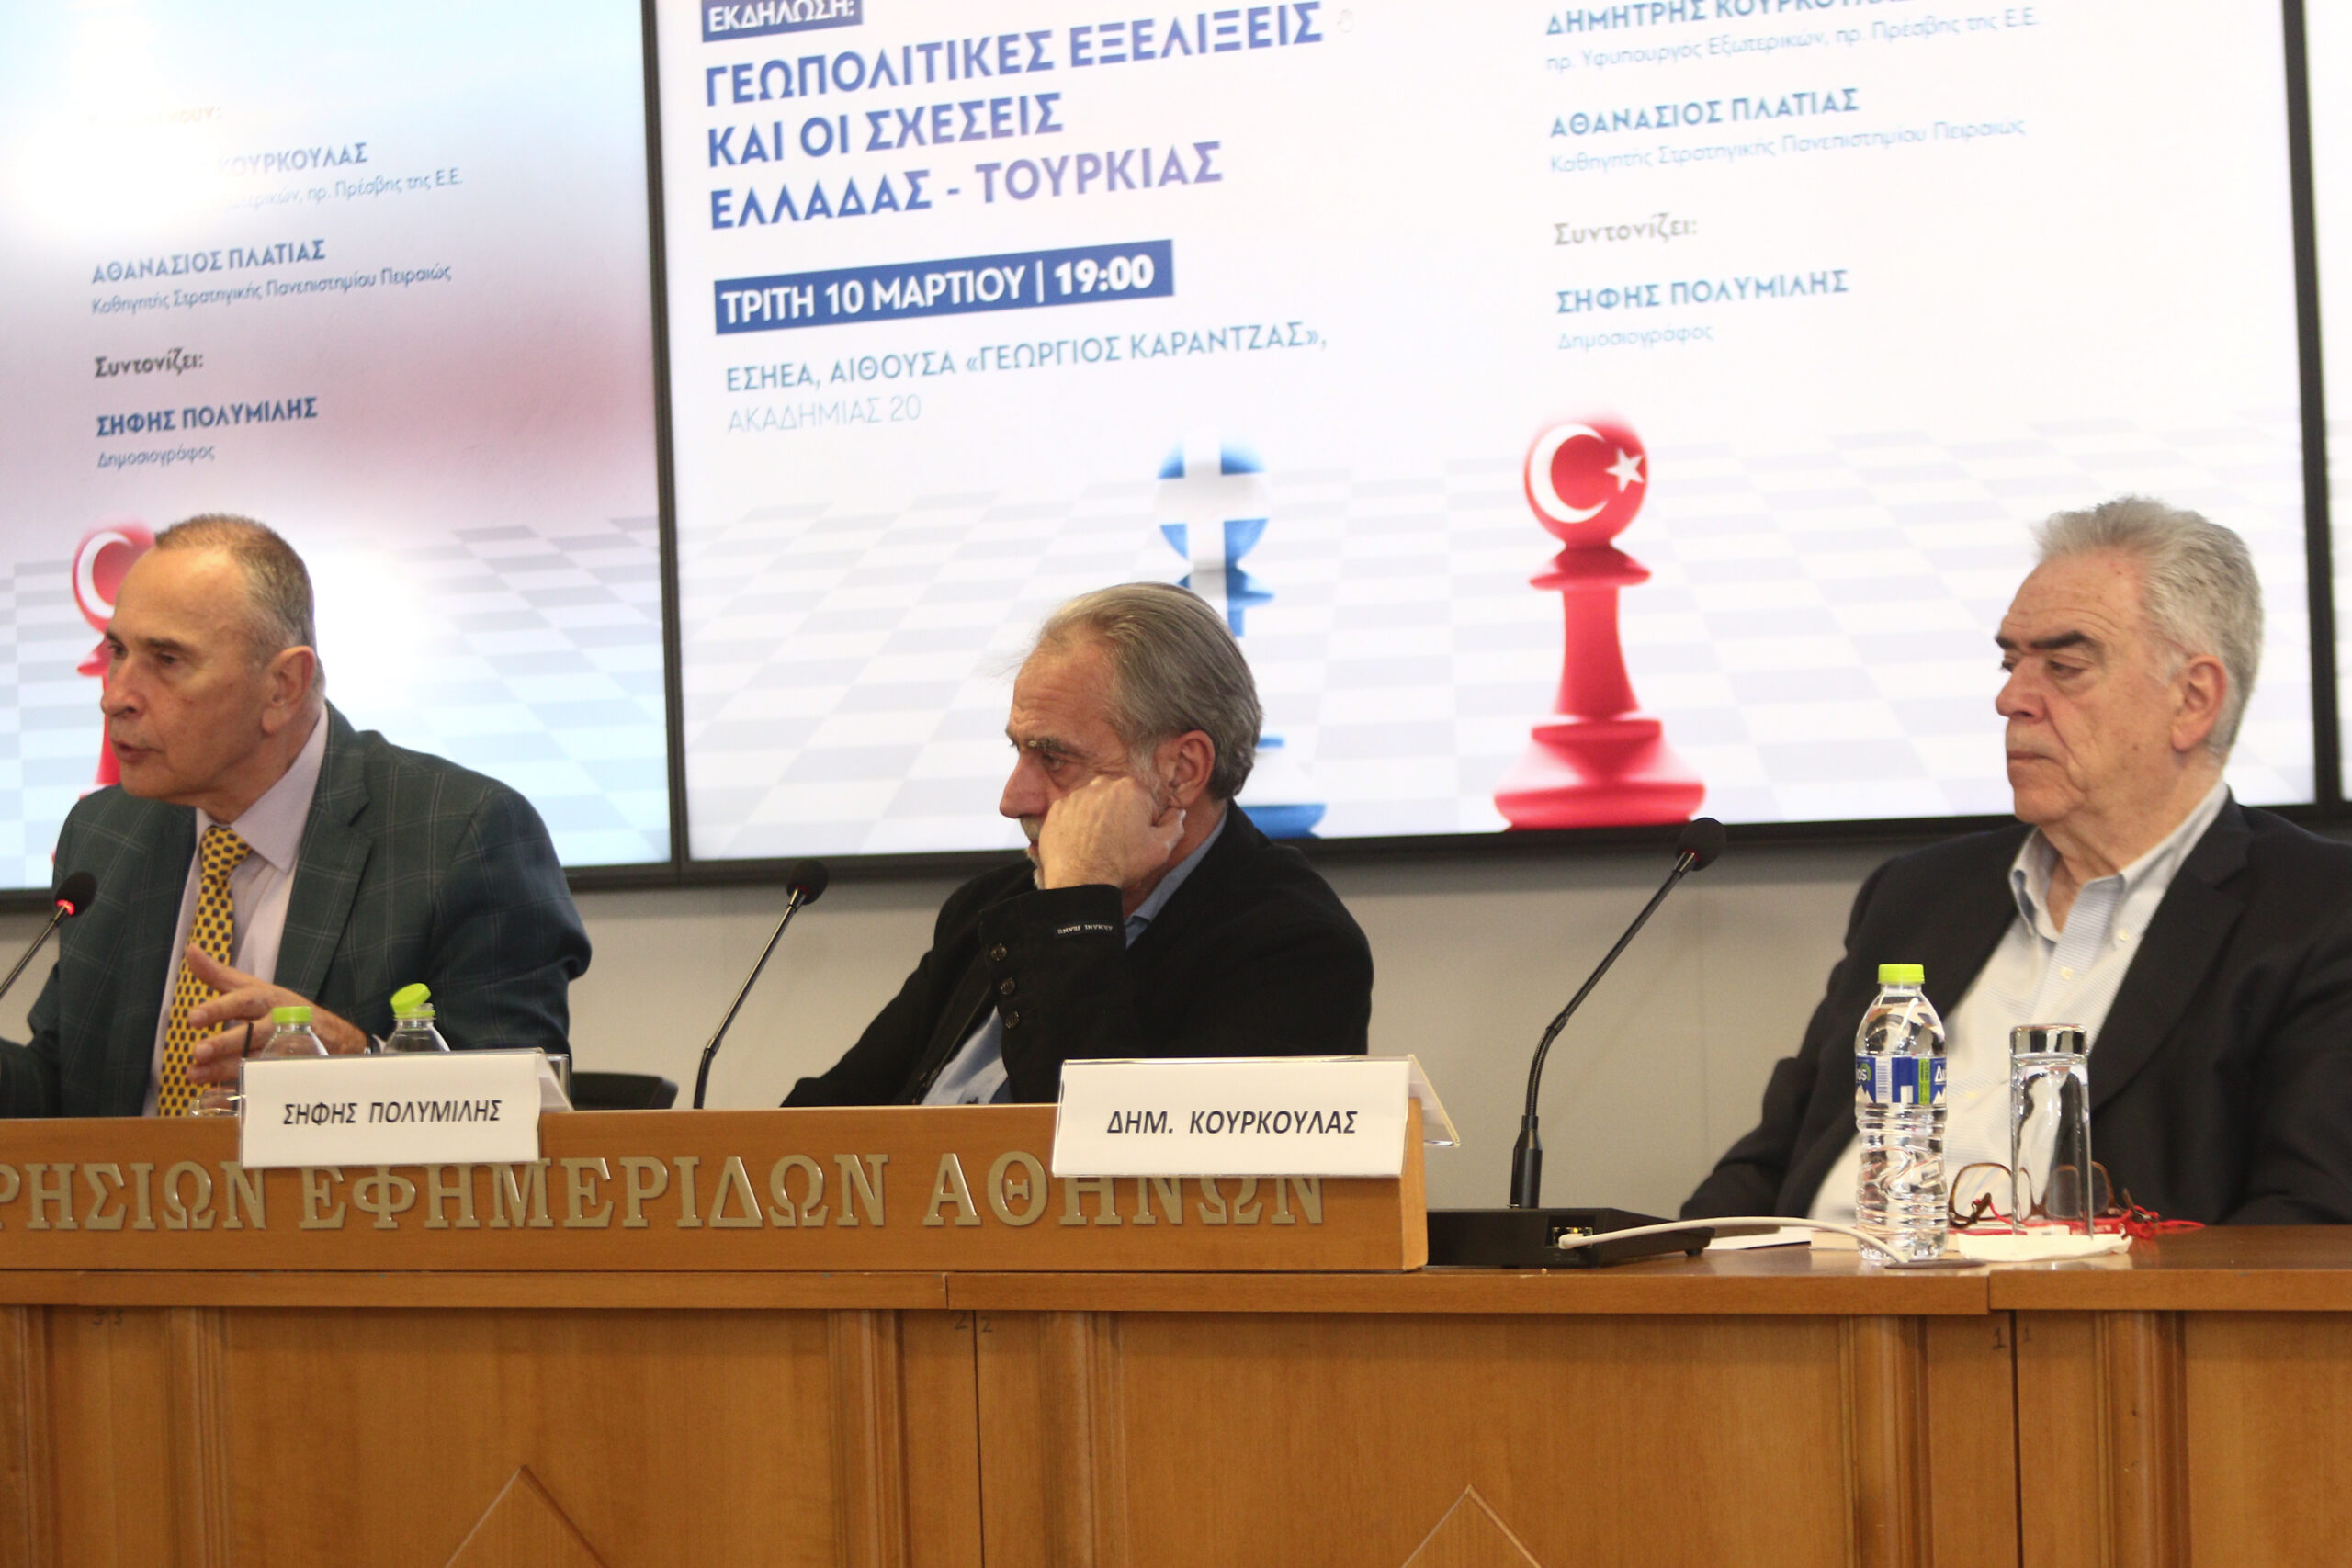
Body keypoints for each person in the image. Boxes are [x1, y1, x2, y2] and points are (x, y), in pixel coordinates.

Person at [1685, 497, 2352, 1226]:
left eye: (2064, 667)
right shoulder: (1915, 895)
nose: (2011, 698)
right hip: (1824, 1285)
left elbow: (2308, 1225)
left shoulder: (2318, 911)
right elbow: (1770, 1166)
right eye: (2011, 662)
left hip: (2088, 1300)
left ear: (2193, 700)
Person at [0, 514, 590, 1117]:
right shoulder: (106, 834)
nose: (115, 696)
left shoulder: (464, 836)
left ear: (283, 685)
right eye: (118, 651)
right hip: (135, 1184)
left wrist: (354, 1063)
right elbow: (62, 1096)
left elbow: (526, 1118)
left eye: (167, 659)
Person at [786, 582, 1374, 1106]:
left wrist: (1076, 909)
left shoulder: (1297, 947)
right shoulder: (988, 907)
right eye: (1018, 750)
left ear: (1182, 771)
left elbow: (1109, 1155)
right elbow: (825, 1118)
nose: (1012, 799)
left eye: (1054, 758)